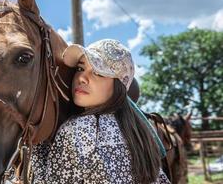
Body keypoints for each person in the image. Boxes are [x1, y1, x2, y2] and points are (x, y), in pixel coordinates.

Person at [31, 39, 171, 184]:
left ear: (119, 86)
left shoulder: (77, 129)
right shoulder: (139, 133)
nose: (82, 78)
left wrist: (37, 145)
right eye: (80, 69)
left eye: (98, 73)